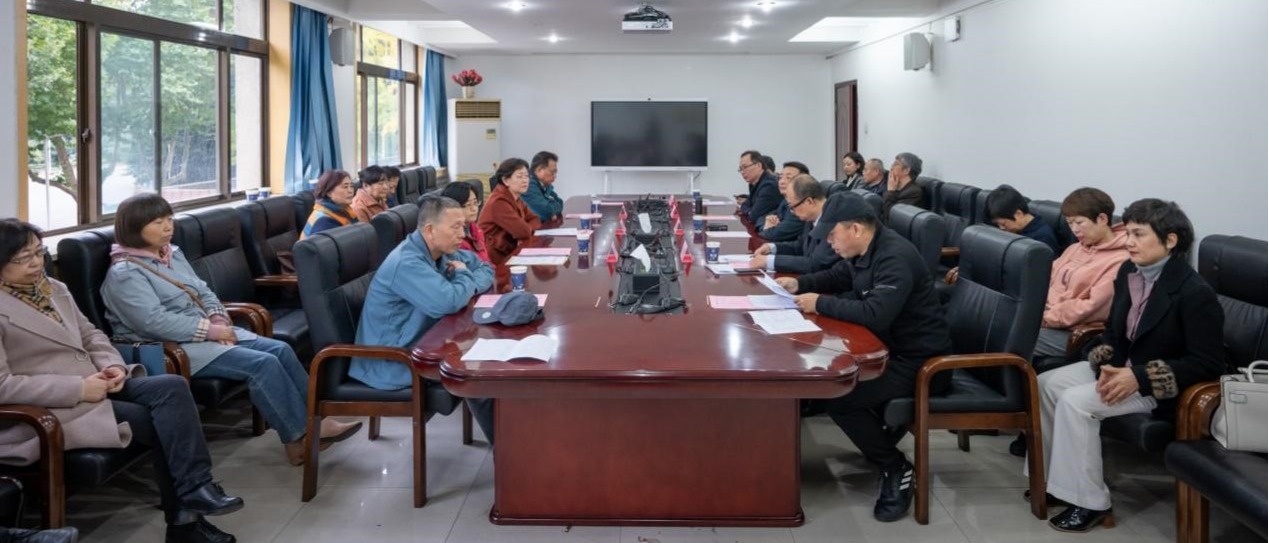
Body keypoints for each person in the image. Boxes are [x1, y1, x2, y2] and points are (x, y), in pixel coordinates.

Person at [0, 219, 244, 543]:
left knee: (171, 387)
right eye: (23, 258)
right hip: (50, 408)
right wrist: (78, 389)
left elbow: (91, 336)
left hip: (96, 384)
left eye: (38, 252)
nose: (35, 263)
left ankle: (196, 487)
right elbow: (3, 385)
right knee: (161, 422)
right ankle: (186, 523)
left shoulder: (53, 289)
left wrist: (112, 366)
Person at [100, 194, 361, 467]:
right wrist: (210, 332)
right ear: (134, 228)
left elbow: (203, 290)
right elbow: (153, 322)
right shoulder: (125, 273)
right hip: (171, 347)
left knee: (280, 349)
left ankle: (317, 421)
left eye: (169, 219)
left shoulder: (171, 253)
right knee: (262, 364)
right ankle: (298, 439)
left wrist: (219, 319)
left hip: (205, 332)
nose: (168, 227)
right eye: (158, 222)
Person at [1034, 199, 1223, 533]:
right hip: (1123, 369)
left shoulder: (1194, 292)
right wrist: (1105, 363)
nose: (1129, 242)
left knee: (1076, 403)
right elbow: (1112, 332)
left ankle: (1090, 502)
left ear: (1170, 240)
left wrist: (1139, 377)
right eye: (1129, 233)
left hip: (1163, 387)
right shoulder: (1128, 272)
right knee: (1046, 383)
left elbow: (1206, 364)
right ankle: (1056, 482)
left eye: (1139, 234)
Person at [774, 194, 952, 523]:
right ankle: (877, 437)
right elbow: (838, 276)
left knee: (840, 397)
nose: (828, 242)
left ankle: (895, 466)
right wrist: (799, 284)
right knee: (817, 386)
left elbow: (876, 314)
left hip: (921, 363)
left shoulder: (894, 257)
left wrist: (819, 303)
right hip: (888, 350)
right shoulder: (867, 248)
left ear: (855, 229)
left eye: (832, 235)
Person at [349, 195, 496, 443]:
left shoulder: (441, 252)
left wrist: (464, 281)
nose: (463, 234)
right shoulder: (407, 261)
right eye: (455, 227)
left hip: (425, 342)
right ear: (429, 230)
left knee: (490, 357)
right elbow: (448, 302)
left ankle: (513, 443)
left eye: (463, 226)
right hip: (392, 360)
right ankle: (507, 454)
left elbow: (486, 268)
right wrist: (464, 278)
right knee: (478, 376)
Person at [749, 175, 842, 274]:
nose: (792, 212)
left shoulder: (834, 222)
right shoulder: (811, 218)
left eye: (792, 207)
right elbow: (800, 245)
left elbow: (816, 264)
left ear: (809, 202)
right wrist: (772, 248)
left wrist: (769, 261)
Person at [477, 158, 543, 266]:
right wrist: (526, 229)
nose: (525, 180)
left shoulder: (515, 197)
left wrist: (526, 228)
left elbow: (535, 219)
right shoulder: (499, 201)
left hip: (507, 250)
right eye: (519, 176)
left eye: (527, 176)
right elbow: (523, 231)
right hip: (494, 257)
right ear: (506, 180)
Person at [983, 184, 1061, 256]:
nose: (1001, 228)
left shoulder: (1042, 238)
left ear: (1018, 214)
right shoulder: (1016, 230)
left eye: (1003, 224)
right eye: (998, 225)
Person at [757, 161, 808, 242]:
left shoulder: (801, 206)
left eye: (788, 178)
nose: (782, 182)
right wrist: (766, 226)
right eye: (780, 177)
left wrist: (767, 229)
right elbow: (761, 218)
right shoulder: (785, 201)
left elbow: (776, 234)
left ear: (803, 182)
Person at [441, 181, 490, 263]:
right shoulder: (455, 241)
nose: (474, 208)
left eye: (475, 203)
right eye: (467, 205)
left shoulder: (475, 230)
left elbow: (486, 261)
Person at [301, 170, 357, 239]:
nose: (350, 191)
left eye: (351, 186)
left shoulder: (343, 209)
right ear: (329, 193)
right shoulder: (324, 221)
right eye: (345, 187)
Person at [735, 150, 781, 224]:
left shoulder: (769, 185)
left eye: (745, 167)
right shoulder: (753, 183)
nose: (742, 172)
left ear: (759, 165)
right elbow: (746, 204)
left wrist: (747, 209)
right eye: (741, 169)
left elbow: (753, 216)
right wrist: (748, 209)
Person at [881, 152, 926, 219]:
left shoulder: (914, 192)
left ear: (906, 170)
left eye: (895, 164)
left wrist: (890, 192)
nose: (891, 167)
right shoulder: (895, 186)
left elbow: (890, 214)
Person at [522, 151, 564, 222]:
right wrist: (551, 212)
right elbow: (546, 212)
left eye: (555, 172)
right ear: (539, 170)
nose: (555, 176)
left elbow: (560, 202)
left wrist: (552, 211)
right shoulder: (528, 184)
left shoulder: (545, 184)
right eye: (552, 172)